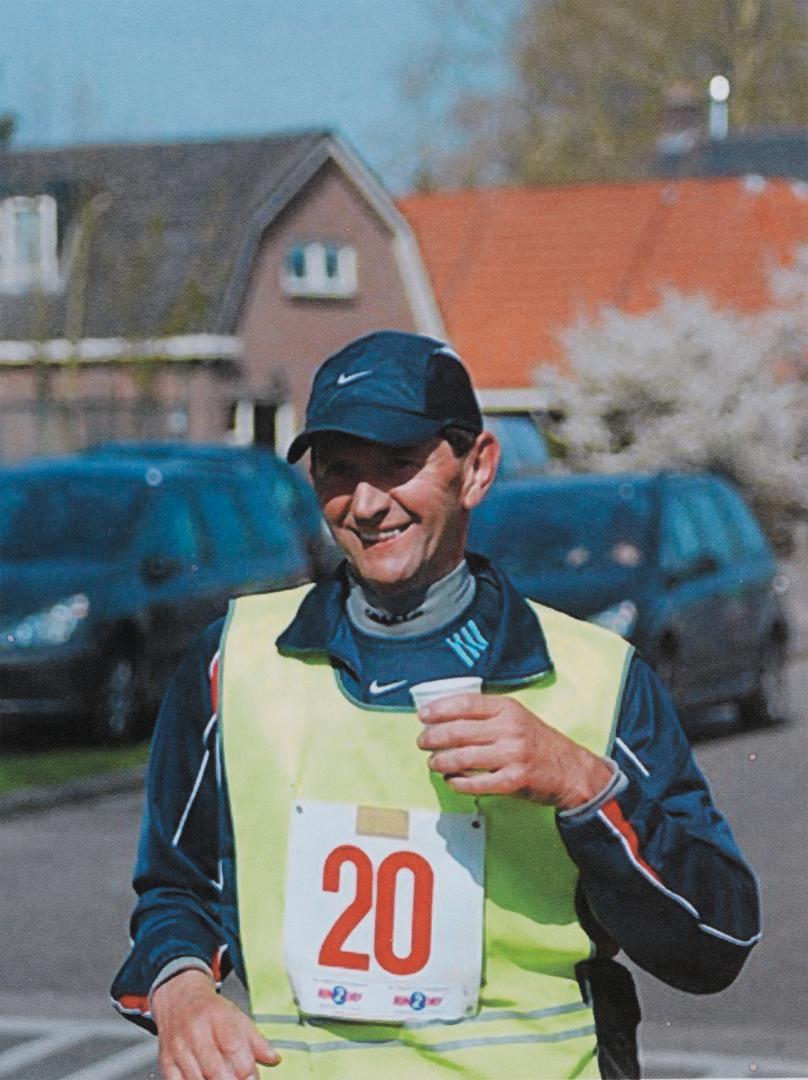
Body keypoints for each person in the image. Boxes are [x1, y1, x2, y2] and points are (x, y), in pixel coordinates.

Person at [112, 330, 760, 1080]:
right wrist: (182, 990)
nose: (365, 504)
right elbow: (175, 890)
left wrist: (583, 786)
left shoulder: (595, 678)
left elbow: (719, 940)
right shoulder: (233, 660)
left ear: (476, 468)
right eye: (338, 470)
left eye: (397, 463)